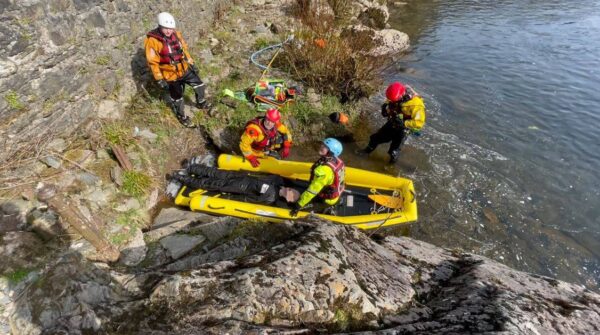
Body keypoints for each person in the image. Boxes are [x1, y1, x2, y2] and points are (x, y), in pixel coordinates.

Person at [144, 12, 209, 128]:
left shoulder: (176, 34)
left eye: (170, 28)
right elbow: (152, 62)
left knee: (199, 84)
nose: (169, 31)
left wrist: (191, 63)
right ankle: (182, 117)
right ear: (159, 26)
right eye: (165, 28)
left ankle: (201, 102)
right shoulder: (153, 41)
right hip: (170, 75)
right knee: (177, 97)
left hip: (183, 69)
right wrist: (159, 78)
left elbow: (184, 50)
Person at [168, 164, 299, 205]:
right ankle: (190, 169)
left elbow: (249, 199)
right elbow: (262, 175)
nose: (287, 189)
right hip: (241, 177)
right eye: (289, 189)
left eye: (287, 192)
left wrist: (231, 198)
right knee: (214, 173)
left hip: (238, 186)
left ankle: (180, 177)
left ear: (284, 197)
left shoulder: (270, 195)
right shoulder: (277, 182)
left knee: (208, 183)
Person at [360, 82, 426, 163]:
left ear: (402, 95)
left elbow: (419, 123)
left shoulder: (416, 105)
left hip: (404, 128)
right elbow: (389, 102)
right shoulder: (393, 96)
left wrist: (404, 124)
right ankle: (366, 152)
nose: (391, 101)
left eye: (393, 100)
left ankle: (390, 166)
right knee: (375, 138)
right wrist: (385, 110)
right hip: (393, 121)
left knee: (394, 152)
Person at [289, 138, 345, 217]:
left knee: (295, 206)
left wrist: (298, 206)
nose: (321, 146)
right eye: (323, 144)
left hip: (326, 200)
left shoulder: (325, 171)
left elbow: (312, 191)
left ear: (331, 152)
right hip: (332, 192)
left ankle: (326, 209)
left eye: (325, 147)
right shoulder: (337, 161)